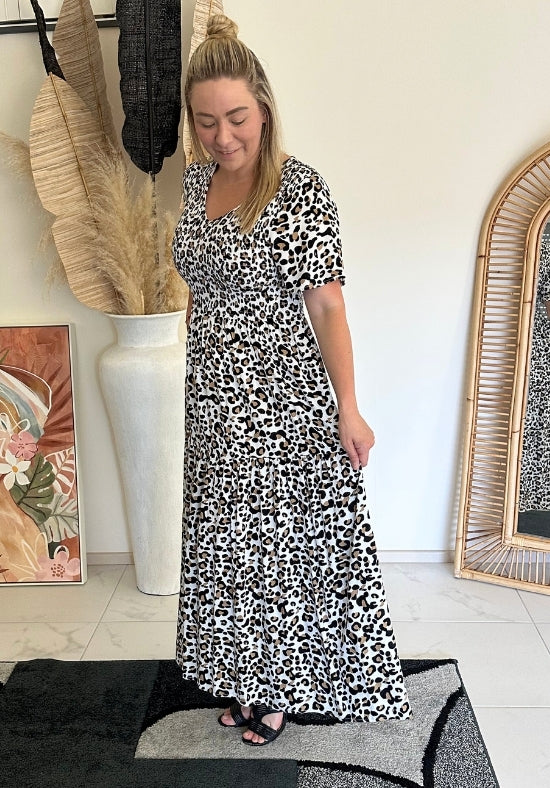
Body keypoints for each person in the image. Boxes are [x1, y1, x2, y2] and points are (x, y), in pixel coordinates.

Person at [173, 14, 411, 746]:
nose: (223, 136)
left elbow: (327, 302)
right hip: (213, 399)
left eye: (237, 117)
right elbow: (199, 284)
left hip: (280, 402)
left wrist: (350, 407)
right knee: (225, 542)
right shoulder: (192, 183)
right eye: (207, 121)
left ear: (264, 108)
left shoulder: (299, 188)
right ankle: (241, 676)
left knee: (273, 549)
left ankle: (275, 693)